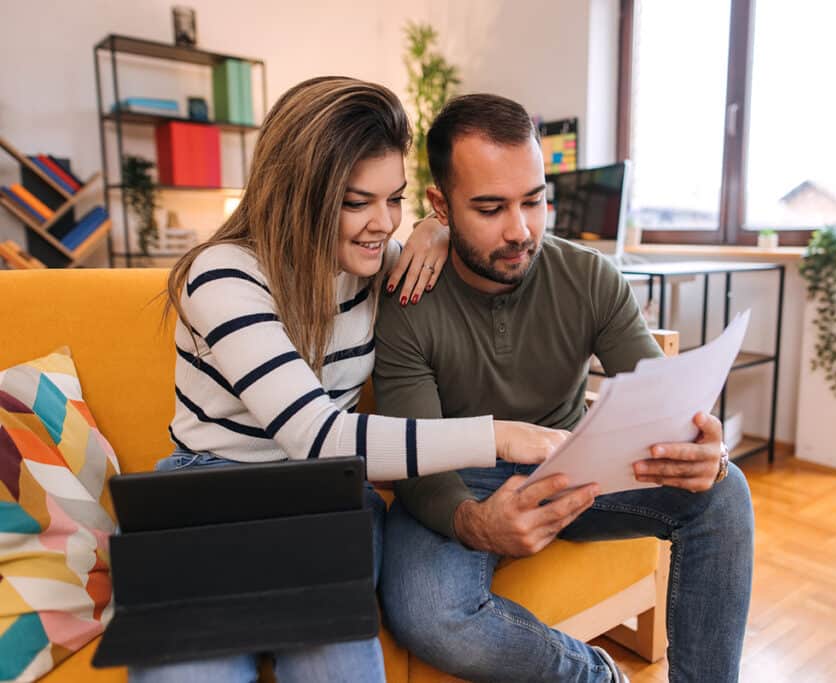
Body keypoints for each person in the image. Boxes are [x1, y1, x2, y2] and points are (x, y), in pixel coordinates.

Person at [132, 78, 566, 683]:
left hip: (325, 502)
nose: (383, 223)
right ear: (298, 193)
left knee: (337, 667)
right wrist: (495, 437)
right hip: (212, 496)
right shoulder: (223, 275)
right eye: (356, 201)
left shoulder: (380, 265)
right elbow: (319, 436)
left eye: (395, 200)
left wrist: (436, 230)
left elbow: (462, 244)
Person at [374, 94, 755, 683]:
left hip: (572, 465)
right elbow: (418, 458)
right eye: (490, 207)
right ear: (440, 206)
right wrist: (474, 521)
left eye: (534, 200)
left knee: (725, 493)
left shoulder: (588, 276)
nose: (520, 230)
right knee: (431, 613)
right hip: (456, 475)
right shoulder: (408, 299)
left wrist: (704, 447)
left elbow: (663, 406)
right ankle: (596, 676)